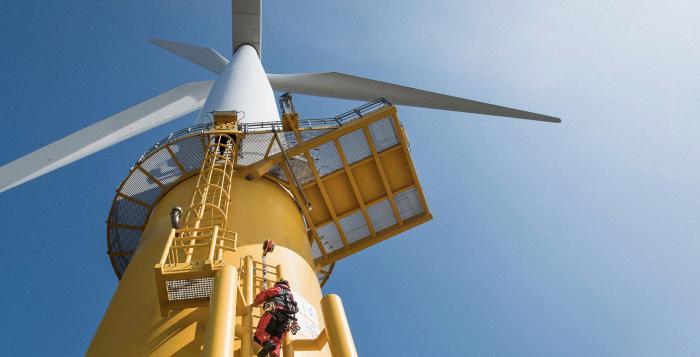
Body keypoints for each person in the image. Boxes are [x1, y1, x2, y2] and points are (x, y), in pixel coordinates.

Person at [253, 279, 299, 357]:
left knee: (260, 335)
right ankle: (275, 354)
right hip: (286, 321)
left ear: (278, 283)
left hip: (274, 314)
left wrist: (255, 303)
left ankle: (267, 343)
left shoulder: (276, 289)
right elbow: (294, 310)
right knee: (277, 341)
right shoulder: (291, 297)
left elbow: (262, 296)